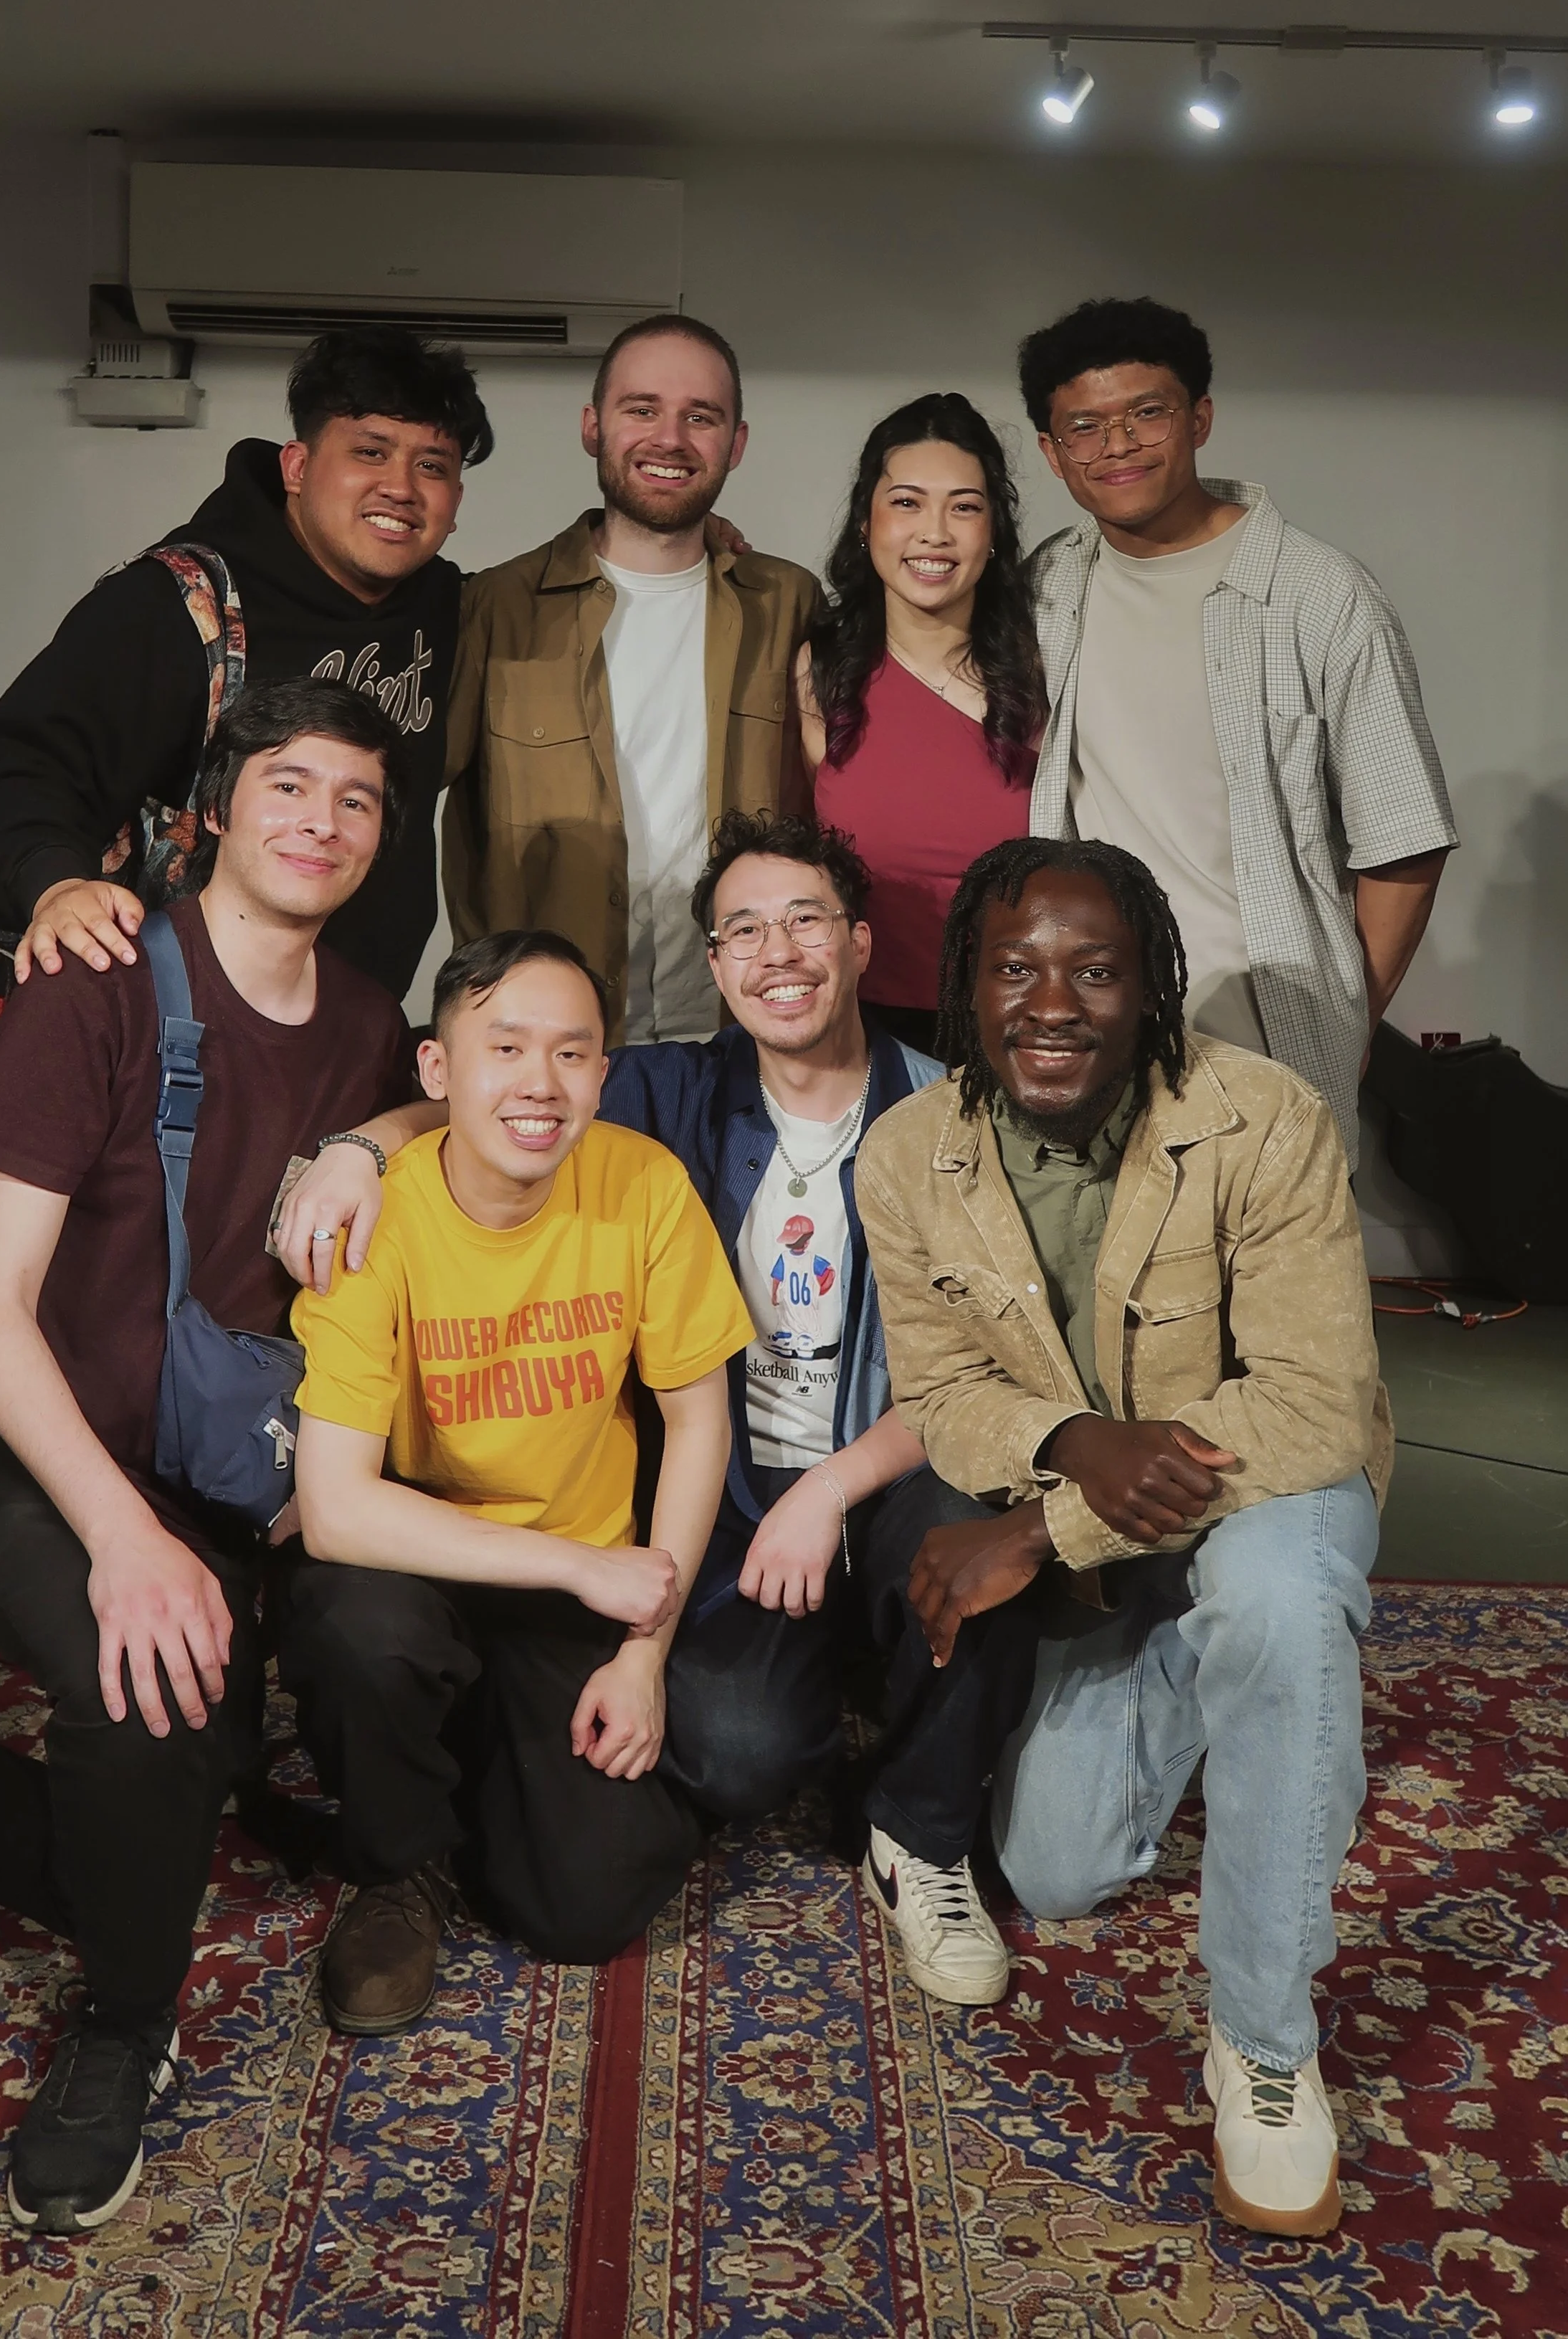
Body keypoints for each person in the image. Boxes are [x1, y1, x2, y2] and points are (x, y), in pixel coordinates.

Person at [0, 679, 425, 2235]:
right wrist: (123, 1541)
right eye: (287, 783)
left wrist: (373, 1140)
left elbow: (434, 1101)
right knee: (157, 1704)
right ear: (212, 807)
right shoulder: (99, 977)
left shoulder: (365, 1021)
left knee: (182, 1766)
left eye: (355, 798)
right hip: (1, 1443)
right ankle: (125, 2021)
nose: (319, 820)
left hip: (203, 1463)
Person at [855, 835, 1391, 2240]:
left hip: (1265, 1482)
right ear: (962, 985)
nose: (1050, 1003)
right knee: (1054, 1866)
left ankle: (1266, 2054)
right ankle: (1266, 1694)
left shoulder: (1260, 1114)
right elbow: (943, 1388)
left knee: (1273, 1596)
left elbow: (1307, 1402)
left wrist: (1041, 1526)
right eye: (1013, 967)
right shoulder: (906, 1154)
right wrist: (1068, 1445)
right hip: (1115, 1536)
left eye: (1094, 970)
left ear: (1149, 989)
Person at [591, 808, 1040, 2003]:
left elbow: (987, 1368)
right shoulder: (667, 1090)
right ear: (716, 963)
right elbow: (484, 1089)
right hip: (731, 1493)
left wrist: (834, 1490)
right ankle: (842, 1672)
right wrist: (354, 1153)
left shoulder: (954, 1112)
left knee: (985, 1516)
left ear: (857, 939)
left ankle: (920, 1830)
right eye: (743, 930)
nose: (776, 952)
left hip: (894, 1471)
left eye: (804, 921)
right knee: (735, 1757)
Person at [280, 930, 753, 2034]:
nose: (541, 1083)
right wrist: (589, 1569)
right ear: (438, 1071)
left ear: (602, 1071)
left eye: (573, 1054)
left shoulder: (643, 1184)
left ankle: (482, 1760)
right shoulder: (377, 1213)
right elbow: (339, 1509)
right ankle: (405, 1864)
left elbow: (698, 1424)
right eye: (506, 1048)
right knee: (357, 1630)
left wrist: (646, 1655)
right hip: (417, 1562)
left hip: (574, 1593)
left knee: (588, 1907)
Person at [1017, 295, 1457, 1164]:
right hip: (1091, 1035)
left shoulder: (1320, 594)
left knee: (1267, 1295)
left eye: (1147, 414)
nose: (1118, 448)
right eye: (1085, 427)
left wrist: (1345, 1017)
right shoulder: (1049, 586)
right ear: (1051, 451)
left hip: (1264, 1041)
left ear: (1199, 418)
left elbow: (1403, 839)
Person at [0, 326, 492, 999]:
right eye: (370, 451)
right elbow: (31, 761)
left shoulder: (451, 610)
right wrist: (56, 884)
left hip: (348, 1035)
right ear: (298, 467)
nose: (401, 487)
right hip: (167, 1032)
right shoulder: (178, 602)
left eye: (433, 466)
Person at [442, 314, 821, 1045]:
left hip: (738, 1036)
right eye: (641, 409)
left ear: (735, 444)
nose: (669, 439)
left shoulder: (789, 606)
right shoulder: (492, 608)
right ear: (593, 427)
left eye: (700, 417)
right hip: (546, 1042)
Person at [795, 394, 1042, 1057]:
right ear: (864, 522)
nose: (934, 532)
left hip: (1021, 1025)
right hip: (857, 1030)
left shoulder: (1044, 671)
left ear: (994, 532)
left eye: (964, 506)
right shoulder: (818, 669)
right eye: (906, 502)